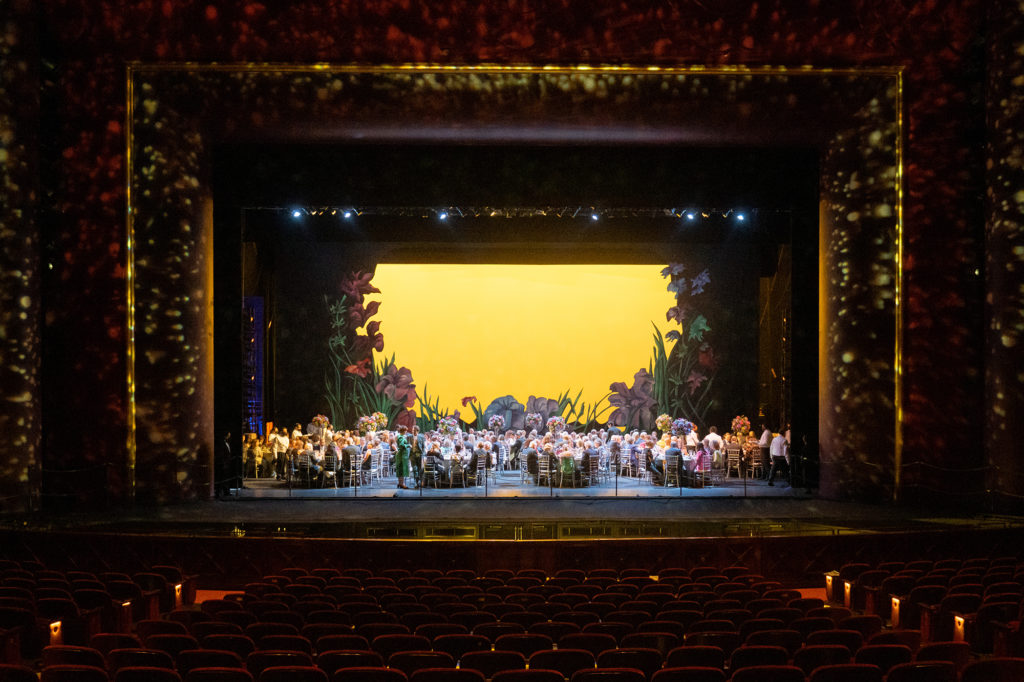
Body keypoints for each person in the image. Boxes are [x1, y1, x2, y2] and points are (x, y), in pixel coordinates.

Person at [394, 425, 412, 489]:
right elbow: (401, 445)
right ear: (404, 431)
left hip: (401, 454)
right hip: (402, 455)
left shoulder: (400, 436)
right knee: (402, 468)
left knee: (400, 469)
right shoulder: (401, 437)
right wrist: (408, 445)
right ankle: (402, 483)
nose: (406, 432)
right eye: (406, 430)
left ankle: (400, 483)